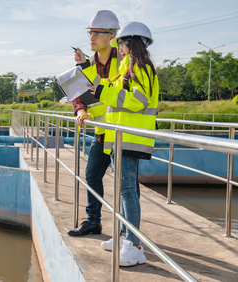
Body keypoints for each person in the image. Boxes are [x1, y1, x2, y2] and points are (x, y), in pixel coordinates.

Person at [87, 21, 159, 267]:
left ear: (131, 43)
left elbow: (137, 101)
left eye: (122, 43)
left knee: (128, 190)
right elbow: (109, 90)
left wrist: (102, 92)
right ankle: (123, 236)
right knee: (125, 189)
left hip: (132, 137)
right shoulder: (126, 69)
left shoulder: (142, 68)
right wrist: (91, 78)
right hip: (120, 136)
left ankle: (135, 245)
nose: (120, 47)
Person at [67, 10, 122, 237]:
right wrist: (80, 109)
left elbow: (117, 91)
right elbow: (78, 95)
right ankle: (93, 221)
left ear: (111, 36)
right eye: (90, 33)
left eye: (96, 33)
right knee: (91, 176)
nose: (91, 37)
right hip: (101, 132)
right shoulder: (88, 64)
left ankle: (126, 230)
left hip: (121, 131)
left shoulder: (124, 60)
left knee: (125, 184)